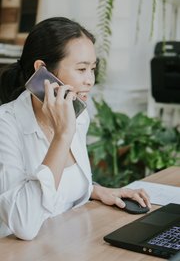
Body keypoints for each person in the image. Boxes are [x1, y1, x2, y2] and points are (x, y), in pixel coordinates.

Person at [0, 17, 151, 240]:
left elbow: (59, 186)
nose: (90, 80)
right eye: (81, 69)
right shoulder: (6, 125)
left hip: (65, 243)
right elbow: (24, 225)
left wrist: (95, 190)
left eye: (92, 69)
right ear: (42, 70)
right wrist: (62, 135)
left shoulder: (78, 116)